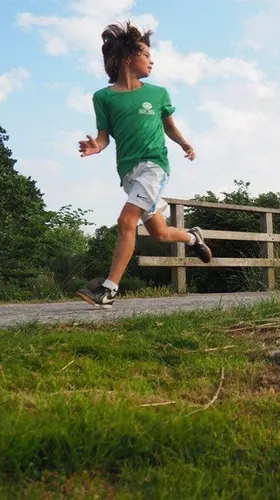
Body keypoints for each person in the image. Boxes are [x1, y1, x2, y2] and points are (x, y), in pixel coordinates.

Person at [76, 21, 212, 308]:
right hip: (128, 173)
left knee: (126, 221)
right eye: (146, 54)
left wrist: (185, 143)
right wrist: (95, 147)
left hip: (154, 166)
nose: (152, 60)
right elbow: (103, 136)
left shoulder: (158, 93)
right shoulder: (103, 97)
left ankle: (108, 290)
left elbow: (169, 127)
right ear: (129, 58)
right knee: (161, 234)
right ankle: (193, 237)